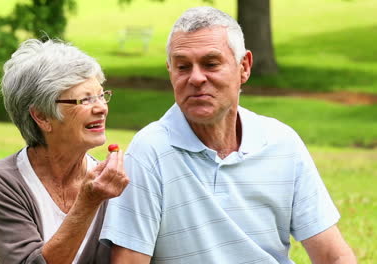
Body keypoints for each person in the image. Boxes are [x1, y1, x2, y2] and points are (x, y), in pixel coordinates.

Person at [99, 6, 356, 264]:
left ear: (244, 67)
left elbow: (333, 255)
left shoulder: (282, 143)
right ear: (170, 72)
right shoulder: (150, 151)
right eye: (183, 67)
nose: (196, 78)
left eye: (210, 64)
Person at [0, 39, 129, 264]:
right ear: (42, 116)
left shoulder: (111, 183)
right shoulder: (0, 183)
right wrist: (88, 202)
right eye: (85, 99)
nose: (101, 108)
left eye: (101, 95)